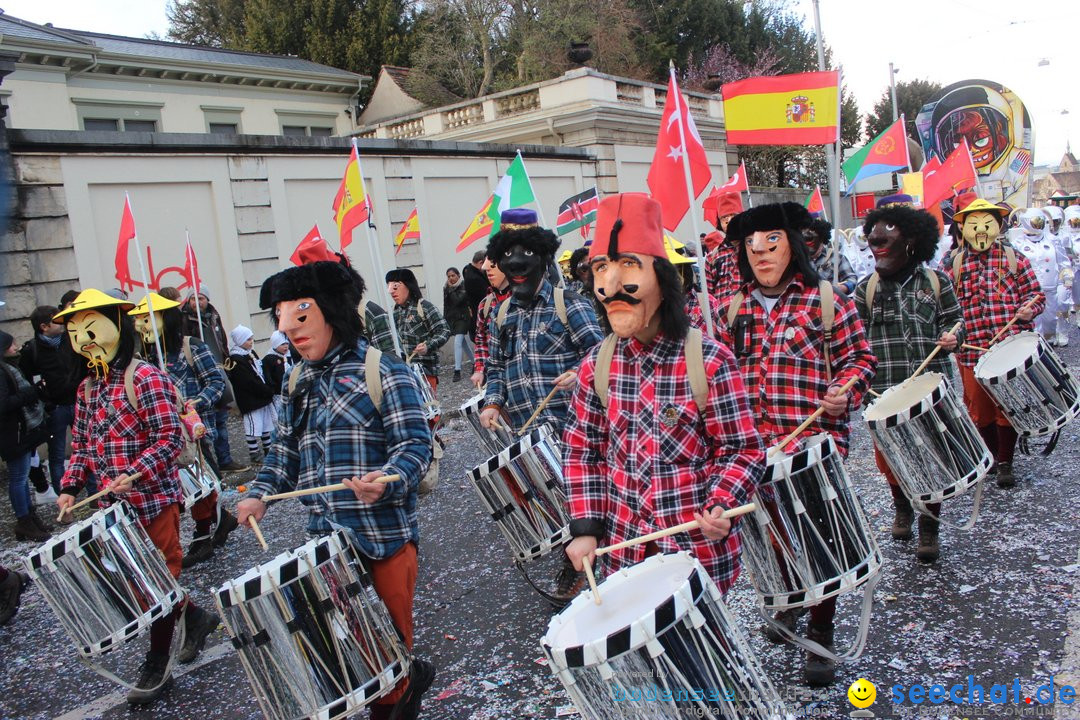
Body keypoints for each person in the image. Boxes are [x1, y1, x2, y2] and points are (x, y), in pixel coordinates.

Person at [236, 259, 435, 720]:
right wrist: (259, 494)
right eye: (282, 320)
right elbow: (283, 453)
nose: (290, 333)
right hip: (325, 543)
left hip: (384, 538)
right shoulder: (296, 381)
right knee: (352, 647)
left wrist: (385, 482)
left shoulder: (384, 371)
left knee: (388, 646)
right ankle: (410, 678)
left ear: (332, 312)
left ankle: (399, 692)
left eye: (300, 317)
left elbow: (414, 446)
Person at [562, 193, 764, 598]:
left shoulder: (709, 360)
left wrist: (722, 502)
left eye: (628, 266)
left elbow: (741, 449)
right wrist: (585, 527)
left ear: (663, 279)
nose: (612, 285)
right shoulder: (594, 366)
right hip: (625, 554)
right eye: (601, 269)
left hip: (694, 553)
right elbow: (583, 451)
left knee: (704, 657)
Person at [716, 202, 876, 686]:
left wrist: (843, 391)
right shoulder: (732, 308)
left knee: (819, 537)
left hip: (812, 445)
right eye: (751, 244)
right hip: (755, 450)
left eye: (772, 240)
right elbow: (718, 376)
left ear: (793, 243)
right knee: (773, 536)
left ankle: (822, 630)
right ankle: (789, 601)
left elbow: (860, 361)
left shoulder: (826, 301)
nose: (761, 251)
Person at [53, 289, 219, 705]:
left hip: (155, 500)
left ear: (116, 326)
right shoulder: (87, 389)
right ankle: (195, 617)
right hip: (114, 509)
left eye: (91, 327)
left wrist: (135, 472)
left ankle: (157, 661)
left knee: (160, 580)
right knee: (140, 582)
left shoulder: (146, 378)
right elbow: (84, 448)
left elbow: (168, 438)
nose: (83, 338)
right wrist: (70, 487)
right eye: (75, 332)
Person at [853, 204, 964, 562]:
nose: (876, 238)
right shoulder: (863, 290)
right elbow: (852, 343)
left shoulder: (937, 281)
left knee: (932, 457)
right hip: (884, 393)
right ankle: (901, 506)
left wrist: (952, 338)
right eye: (873, 231)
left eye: (888, 230)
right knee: (892, 459)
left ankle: (929, 526)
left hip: (930, 391)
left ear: (912, 240)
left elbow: (956, 321)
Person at [129, 293, 238, 568]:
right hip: (162, 435)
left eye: (148, 319)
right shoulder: (143, 359)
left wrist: (196, 402)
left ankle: (203, 536)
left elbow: (216, 381)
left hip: (194, 433)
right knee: (185, 486)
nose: (143, 326)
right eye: (139, 321)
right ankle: (221, 520)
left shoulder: (191, 346)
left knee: (202, 482)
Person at [944, 198, 1044, 489]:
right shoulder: (952, 263)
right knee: (979, 409)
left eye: (987, 223)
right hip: (971, 349)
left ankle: (1005, 462)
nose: (981, 230)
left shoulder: (1015, 258)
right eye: (974, 225)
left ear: (998, 226)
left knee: (1007, 407)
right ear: (963, 228)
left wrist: (1029, 308)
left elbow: (1036, 294)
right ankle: (989, 455)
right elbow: (943, 307)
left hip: (1007, 349)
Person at [479, 209, 604, 433]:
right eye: (507, 255)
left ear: (543, 259)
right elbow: (496, 367)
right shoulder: (500, 315)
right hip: (528, 434)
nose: (517, 263)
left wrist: (579, 373)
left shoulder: (570, 305)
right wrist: (493, 403)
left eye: (526, 253)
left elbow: (600, 355)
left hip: (575, 431)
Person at [181, 284, 245, 472]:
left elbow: (221, 342)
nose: (197, 302)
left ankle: (225, 460)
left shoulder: (213, 317)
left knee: (222, 419)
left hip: (218, 371)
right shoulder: (185, 320)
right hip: (200, 376)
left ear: (207, 300)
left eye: (200, 298)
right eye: (193, 298)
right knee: (205, 426)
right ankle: (212, 466)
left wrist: (226, 362)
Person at [19, 305, 79, 495]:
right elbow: (27, 381)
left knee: (88, 448)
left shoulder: (69, 340)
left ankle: (94, 494)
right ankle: (63, 498)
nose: (61, 323)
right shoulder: (32, 350)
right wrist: (45, 401)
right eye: (56, 320)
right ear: (44, 326)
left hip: (78, 402)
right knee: (57, 455)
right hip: (55, 409)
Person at [1, 330, 52, 541]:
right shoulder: (2, 371)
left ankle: (29, 517)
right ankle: (24, 520)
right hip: (12, 433)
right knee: (19, 477)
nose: (16, 347)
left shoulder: (9, 367)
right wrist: (32, 392)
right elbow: (4, 404)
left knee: (22, 477)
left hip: (21, 431)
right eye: (12, 344)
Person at [1008, 208, 1070, 346]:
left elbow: (1064, 262)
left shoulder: (1053, 240)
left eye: (1040, 222)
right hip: (1030, 292)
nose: (1038, 225)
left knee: (1050, 319)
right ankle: (1039, 346)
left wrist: (1067, 278)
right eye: (1034, 222)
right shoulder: (1017, 244)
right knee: (1034, 321)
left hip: (1050, 287)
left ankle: (1050, 339)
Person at [387, 268, 450, 390]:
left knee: (428, 407)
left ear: (408, 285)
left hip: (425, 372)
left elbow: (444, 330)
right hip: (405, 372)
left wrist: (428, 345)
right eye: (389, 287)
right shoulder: (394, 312)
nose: (392, 292)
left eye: (395, 287)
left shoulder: (424, 307)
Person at [225, 325, 277, 463]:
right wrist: (264, 390)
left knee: (266, 424)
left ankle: (268, 448)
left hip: (261, 396)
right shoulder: (236, 359)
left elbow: (260, 371)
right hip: (250, 398)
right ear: (240, 340)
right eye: (248, 339)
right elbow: (247, 380)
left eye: (251, 339)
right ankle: (254, 452)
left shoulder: (250, 353)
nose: (251, 342)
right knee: (253, 426)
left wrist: (267, 388)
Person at [470, 256, 511, 389]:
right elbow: (481, 339)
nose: (487, 270)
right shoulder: (485, 304)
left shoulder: (523, 299)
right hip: (497, 379)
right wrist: (479, 369)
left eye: (493, 265)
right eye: (486, 268)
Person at [701, 190, 743, 301]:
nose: (729, 221)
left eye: (733, 215)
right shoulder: (712, 257)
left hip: (751, 313)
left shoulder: (754, 249)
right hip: (722, 315)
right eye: (724, 217)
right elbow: (709, 296)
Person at [803, 216, 857, 296]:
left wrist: (843, 288)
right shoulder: (798, 260)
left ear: (822, 237)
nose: (806, 239)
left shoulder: (837, 258)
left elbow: (852, 279)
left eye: (810, 238)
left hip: (830, 303)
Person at [443, 267, 474, 382]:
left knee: (457, 342)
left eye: (453, 275)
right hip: (452, 318)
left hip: (463, 317)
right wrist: (444, 319)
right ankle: (475, 363)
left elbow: (457, 300)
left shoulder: (463, 285)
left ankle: (457, 370)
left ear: (458, 275)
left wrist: (450, 289)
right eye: (449, 276)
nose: (451, 278)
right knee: (463, 343)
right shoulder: (446, 287)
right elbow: (446, 304)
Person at [462, 249, 489, 338]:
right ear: (481, 263)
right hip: (480, 318)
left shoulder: (470, 271)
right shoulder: (474, 278)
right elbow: (486, 296)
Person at [261, 330, 291, 408]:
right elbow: (268, 376)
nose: (286, 346)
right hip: (277, 394)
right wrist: (272, 390)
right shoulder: (269, 359)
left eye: (287, 343)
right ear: (275, 345)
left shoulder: (288, 357)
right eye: (282, 344)